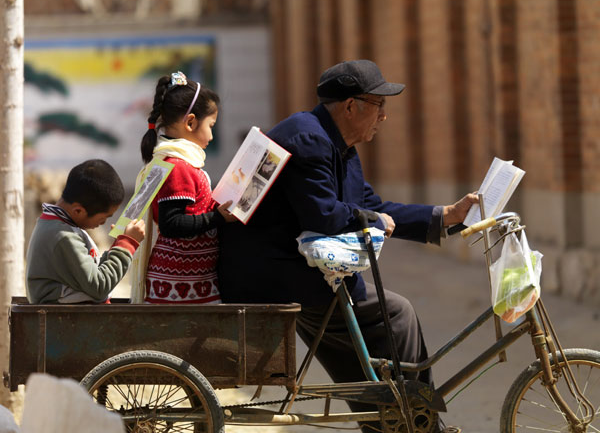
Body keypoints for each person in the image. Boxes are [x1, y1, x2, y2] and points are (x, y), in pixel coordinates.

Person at [218, 59, 477, 433]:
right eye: (379, 105)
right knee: (396, 315)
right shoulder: (310, 140)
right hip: (275, 275)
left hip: (295, 269)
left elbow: (371, 204)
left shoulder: (339, 143)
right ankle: (419, 424)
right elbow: (323, 215)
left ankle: (394, 422)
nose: (385, 116)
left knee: (363, 348)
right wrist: (373, 221)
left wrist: (445, 215)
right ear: (351, 106)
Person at [136, 71, 236, 304]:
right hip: (179, 286)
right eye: (211, 126)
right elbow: (171, 224)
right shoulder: (178, 168)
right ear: (190, 122)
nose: (211, 135)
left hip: (190, 282)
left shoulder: (178, 163)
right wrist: (217, 218)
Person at [26, 159, 145, 304]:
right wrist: (127, 244)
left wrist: (118, 245)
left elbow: (91, 275)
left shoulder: (60, 225)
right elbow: (99, 286)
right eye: (103, 218)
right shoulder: (63, 236)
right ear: (78, 210)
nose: (103, 223)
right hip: (61, 319)